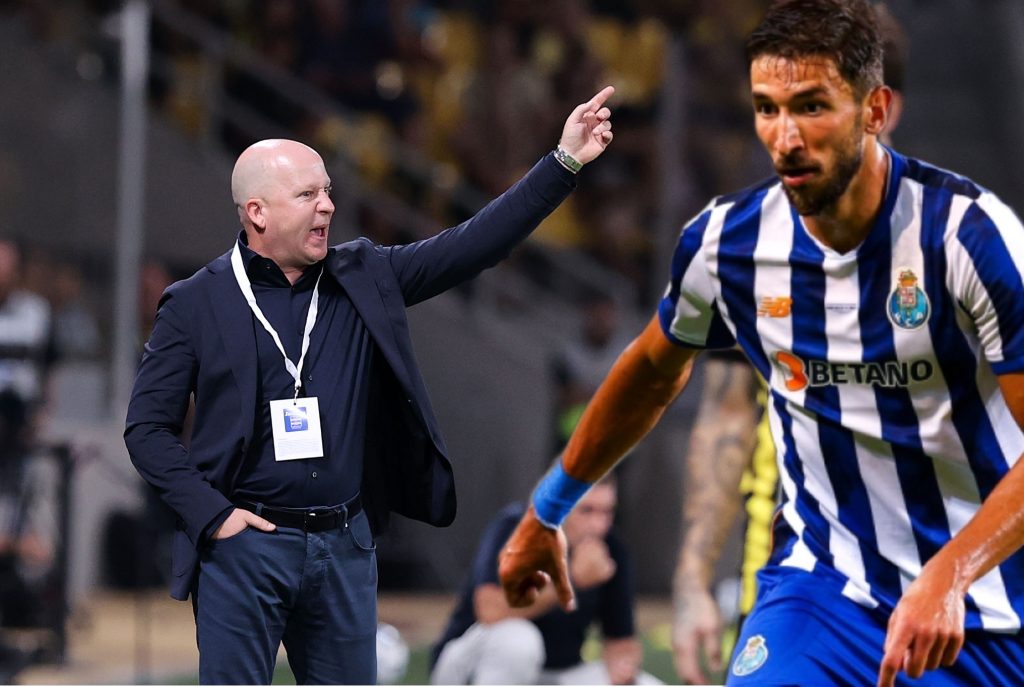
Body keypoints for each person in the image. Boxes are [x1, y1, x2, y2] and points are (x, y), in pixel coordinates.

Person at [498, 2, 1024, 686]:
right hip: (823, 592)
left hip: (990, 604)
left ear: (875, 110)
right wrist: (549, 507)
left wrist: (950, 573)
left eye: (811, 107)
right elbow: (652, 372)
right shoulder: (729, 246)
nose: (786, 137)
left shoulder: (969, 238)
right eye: (767, 108)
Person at [123, 87, 615, 684]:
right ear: (258, 212)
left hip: (343, 546)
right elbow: (147, 429)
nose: (328, 206)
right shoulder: (194, 303)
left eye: (328, 191)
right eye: (308, 195)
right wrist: (213, 516)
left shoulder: (364, 275)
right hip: (245, 548)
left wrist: (563, 162)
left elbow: (475, 244)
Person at [670, 4, 911, 683]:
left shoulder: (957, 248)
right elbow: (726, 412)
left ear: (879, 108)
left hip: (931, 592)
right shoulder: (752, 253)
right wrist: (692, 578)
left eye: (815, 104)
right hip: (790, 582)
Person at [431, 473, 660, 685]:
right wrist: (571, 580)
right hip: (469, 663)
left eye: (607, 512)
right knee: (519, 640)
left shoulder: (611, 549)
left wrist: (623, 665)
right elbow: (490, 610)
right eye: (586, 510)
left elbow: (621, 642)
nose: (598, 525)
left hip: (556, 672)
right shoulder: (517, 527)